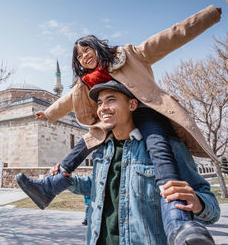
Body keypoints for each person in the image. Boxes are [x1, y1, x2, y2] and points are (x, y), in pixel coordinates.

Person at [16, 5, 221, 245]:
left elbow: (171, 36)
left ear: (96, 46)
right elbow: (67, 100)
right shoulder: (87, 85)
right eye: (79, 56)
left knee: (159, 150)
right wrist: (49, 114)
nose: (84, 57)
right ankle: (50, 186)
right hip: (114, 122)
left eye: (86, 50)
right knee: (84, 143)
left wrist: (208, 16)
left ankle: (178, 223)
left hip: (146, 110)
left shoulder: (128, 56)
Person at [65, 80, 219, 244]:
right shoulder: (103, 149)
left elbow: (212, 208)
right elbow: (97, 185)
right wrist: (67, 180)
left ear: (132, 104)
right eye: (100, 103)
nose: (103, 108)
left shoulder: (167, 147)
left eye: (111, 100)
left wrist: (198, 202)